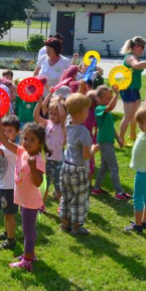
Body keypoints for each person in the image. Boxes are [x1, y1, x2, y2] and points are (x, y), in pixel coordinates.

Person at [0, 120, 46, 272]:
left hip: (30, 201)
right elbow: (4, 140)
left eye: (32, 140)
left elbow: (38, 182)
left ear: (40, 143)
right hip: (23, 199)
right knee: (30, 230)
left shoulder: (38, 160)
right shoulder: (21, 152)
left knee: (27, 231)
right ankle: (29, 253)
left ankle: (27, 260)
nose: (27, 142)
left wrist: (33, 167)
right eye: (25, 138)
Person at [58, 93, 96, 236]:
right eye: (86, 110)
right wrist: (94, 149)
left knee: (66, 195)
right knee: (79, 198)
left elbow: (67, 112)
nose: (88, 113)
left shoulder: (68, 123)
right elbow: (86, 155)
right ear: (81, 112)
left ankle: (65, 222)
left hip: (66, 166)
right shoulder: (84, 132)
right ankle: (76, 226)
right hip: (79, 169)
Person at [0, 115, 21, 250]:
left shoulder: (13, 147)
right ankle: (7, 233)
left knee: (9, 214)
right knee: (5, 212)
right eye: (4, 130)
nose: (6, 134)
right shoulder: (3, 146)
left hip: (10, 187)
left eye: (10, 131)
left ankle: (11, 240)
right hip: (2, 184)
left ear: (18, 132)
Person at [92, 85, 130, 199]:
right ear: (98, 98)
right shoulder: (99, 109)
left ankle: (96, 188)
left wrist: (118, 138)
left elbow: (111, 126)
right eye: (107, 98)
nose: (109, 100)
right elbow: (110, 107)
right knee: (114, 167)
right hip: (105, 142)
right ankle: (119, 192)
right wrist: (117, 94)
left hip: (108, 141)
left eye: (110, 97)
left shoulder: (106, 112)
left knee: (104, 166)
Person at [118, 36, 146, 144]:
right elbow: (137, 66)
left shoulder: (134, 56)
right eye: (142, 47)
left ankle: (132, 134)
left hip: (134, 89)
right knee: (128, 116)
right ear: (136, 46)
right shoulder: (130, 57)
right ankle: (120, 139)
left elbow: (139, 65)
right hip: (128, 90)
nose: (143, 49)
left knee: (135, 114)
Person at [33, 91, 65, 201]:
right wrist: (39, 102)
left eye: (55, 114)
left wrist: (59, 102)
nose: (52, 116)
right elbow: (36, 116)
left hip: (57, 161)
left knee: (58, 186)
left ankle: (62, 206)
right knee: (45, 184)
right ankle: (42, 204)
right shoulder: (47, 123)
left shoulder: (62, 126)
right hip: (46, 160)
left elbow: (62, 115)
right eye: (51, 113)